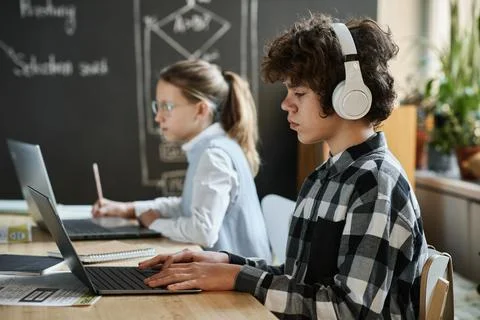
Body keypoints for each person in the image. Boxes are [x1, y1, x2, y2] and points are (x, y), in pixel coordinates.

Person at [136, 13, 429, 319]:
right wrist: (221, 261)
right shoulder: (323, 178)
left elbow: (350, 310)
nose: (286, 104)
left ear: (348, 97)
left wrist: (236, 278)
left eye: (299, 93)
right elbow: (298, 279)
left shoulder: (376, 184)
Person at [91, 59, 271, 262]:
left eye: (167, 106)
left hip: (239, 283)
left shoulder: (213, 155)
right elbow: (187, 205)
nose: (158, 117)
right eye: (157, 106)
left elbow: (203, 232)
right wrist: (129, 210)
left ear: (201, 110)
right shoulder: (216, 145)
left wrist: (155, 223)